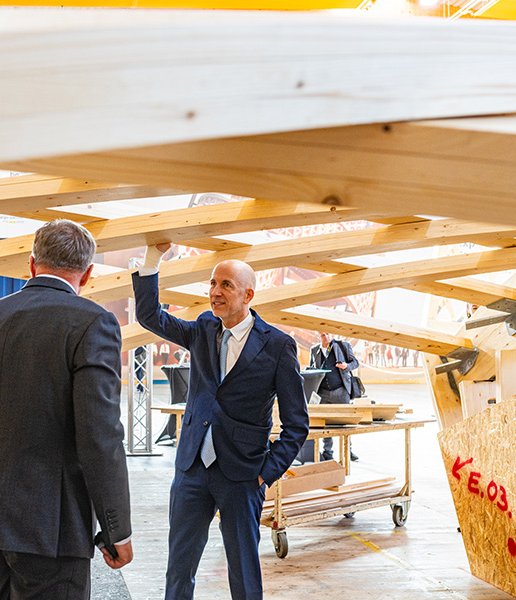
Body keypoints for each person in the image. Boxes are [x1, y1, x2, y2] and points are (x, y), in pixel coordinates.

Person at [0, 220, 133, 600]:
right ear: (88, 273)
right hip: (51, 527)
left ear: (32, 264)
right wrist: (117, 528)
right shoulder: (93, 323)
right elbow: (100, 436)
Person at [132, 243, 308, 600]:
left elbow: (296, 424)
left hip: (243, 475)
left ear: (248, 294)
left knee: (243, 571)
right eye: (212, 283)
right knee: (179, 568)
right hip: (192, 469)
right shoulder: (203, 328)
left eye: (226, 285)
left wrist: (265, 473)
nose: (215, 292)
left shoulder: (277, 345)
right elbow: (151, 317)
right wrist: (153, 260)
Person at [309, 332, 360, 462]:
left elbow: (355, 363)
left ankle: (348, 449)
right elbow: (311, 368)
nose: (325, 336)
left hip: (341, 391)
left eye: (327, 334)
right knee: (324, 424)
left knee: (346, 422)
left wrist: (346, 366)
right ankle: (327, 452)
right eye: (322, 335)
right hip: (322, 392)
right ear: (318, 335)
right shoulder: (314, 350)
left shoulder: (343, 346)